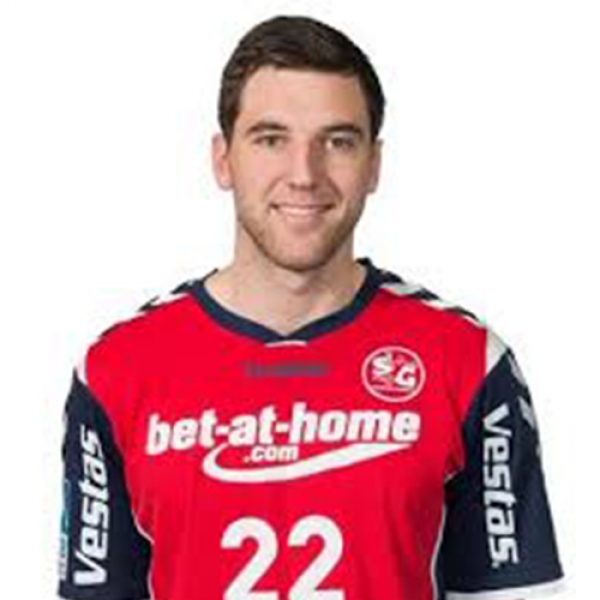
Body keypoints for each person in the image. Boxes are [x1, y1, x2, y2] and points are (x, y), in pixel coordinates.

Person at [57, 14, 564, 600]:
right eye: (271, 139)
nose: (305, 174)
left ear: (374, 164)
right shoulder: (117, 371)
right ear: (222, 159)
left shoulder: (468, 362)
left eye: (338, 141)